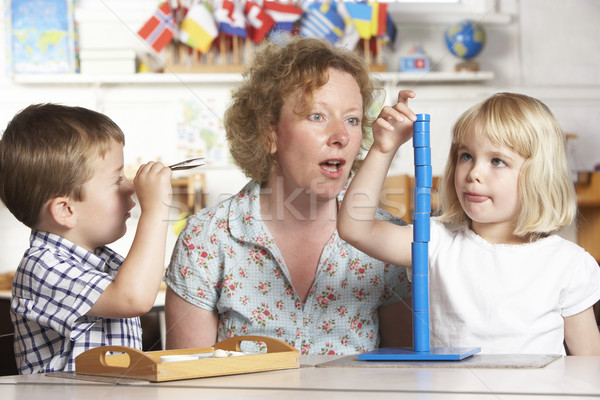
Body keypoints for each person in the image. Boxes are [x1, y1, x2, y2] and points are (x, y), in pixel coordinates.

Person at [165, 37, 412, 355]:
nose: (341, 136)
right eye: (317, 116)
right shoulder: (206, 240)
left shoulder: (387, 240)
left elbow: (404, 374)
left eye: (352, 120)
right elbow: (189, 385)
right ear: (270, 135)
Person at [338, 90, 600, 355]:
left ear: (539, 176)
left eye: (497, 161)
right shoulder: (433, 243)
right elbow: (355, 229)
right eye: (466, 156)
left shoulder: (568, 264)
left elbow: (589, 366)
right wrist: (384, 149)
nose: (474, 173)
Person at [0, 104, 173, 373]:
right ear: (66, 210)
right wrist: (155, 209)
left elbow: (140, 283)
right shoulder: (42, 267)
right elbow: (134, 298)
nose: (130, 188)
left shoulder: (100, 259)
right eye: (117, 179)